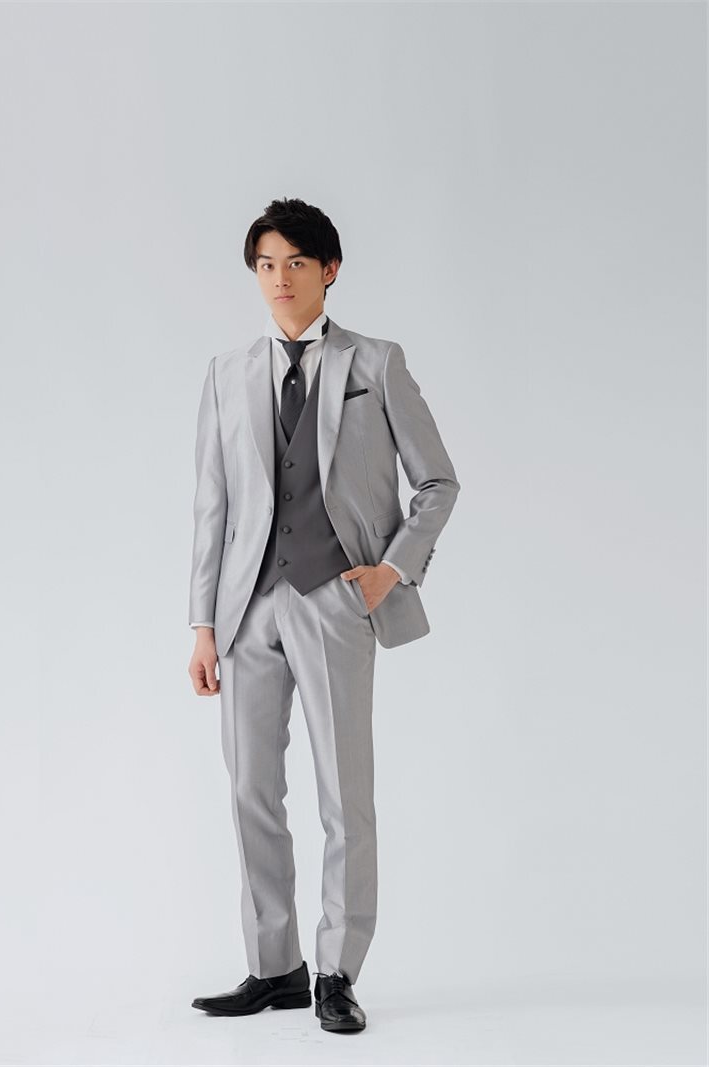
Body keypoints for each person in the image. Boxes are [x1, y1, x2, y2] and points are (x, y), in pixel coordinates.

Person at [187, 197, 460, 1033]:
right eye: (267, 264)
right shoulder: (227, 373)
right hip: (247, 609)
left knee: (346, 795)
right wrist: (202, 624)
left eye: (296, 263)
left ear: (329, 269)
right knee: (250, 789)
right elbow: (211, 507)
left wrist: (391, 571)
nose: (280, 279)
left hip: (337, 598)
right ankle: (275, 966)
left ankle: (338, 970)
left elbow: (438, 482)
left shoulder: (376, 362)